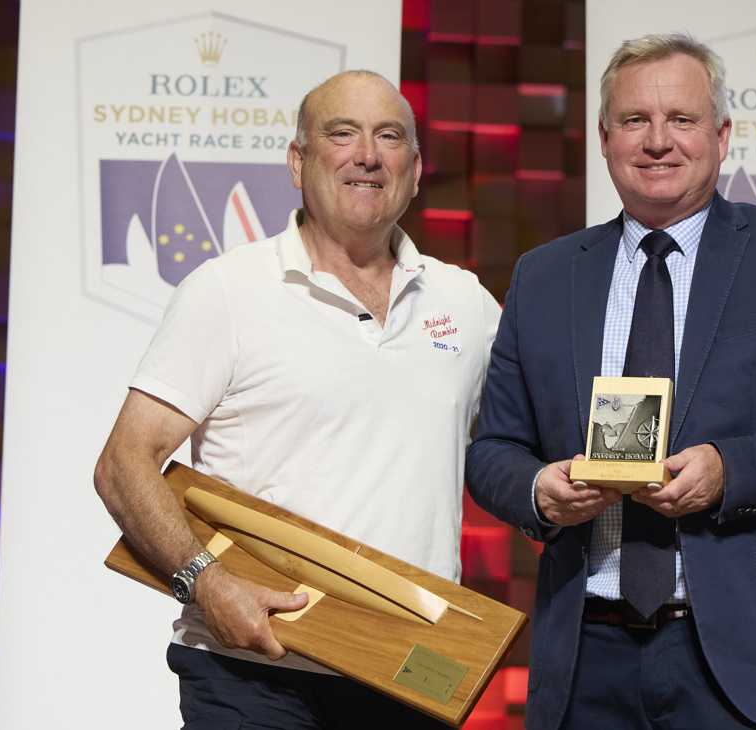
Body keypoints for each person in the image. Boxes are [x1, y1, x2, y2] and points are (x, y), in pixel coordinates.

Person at [465, 33, 756, 730]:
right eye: (635, 120)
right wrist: (539, 491)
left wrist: (731, 471)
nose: (657, 141)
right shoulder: (544, 276)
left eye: (682, 119)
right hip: (583, 660)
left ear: (721, 136)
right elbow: (493, 449)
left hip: (741, 663)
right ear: (604, 138)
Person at [94, 70, 501, 729]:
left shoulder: (466, 304)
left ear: (416, 169)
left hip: (406, 674)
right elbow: (122, 464)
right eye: (341, 134)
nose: (367, 155)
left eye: (389, 136)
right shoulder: (228, 291)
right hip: (252, 669)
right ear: (297, 162)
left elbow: (520, 441)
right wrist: (205, 582)